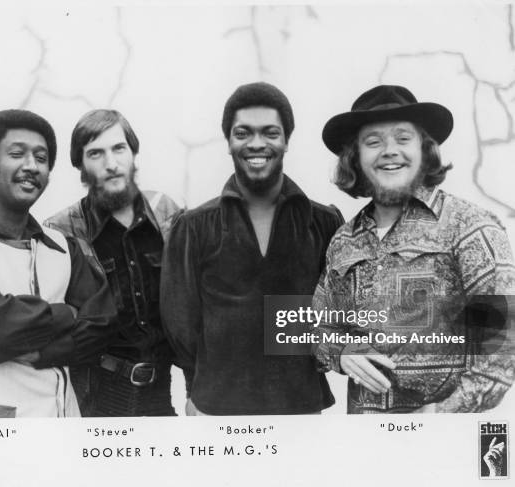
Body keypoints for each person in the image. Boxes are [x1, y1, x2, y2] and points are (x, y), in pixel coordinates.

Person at [315, 84, 515, 413]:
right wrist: (341, 351)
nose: (389, 150)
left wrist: (438, 416)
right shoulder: (343, 241)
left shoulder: (471, 228)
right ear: (356, 157)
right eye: (373, 141)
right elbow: (320, 328)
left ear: (424, 150)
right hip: (364, 443)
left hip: (443, 445)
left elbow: (500, 352)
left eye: (403, 138)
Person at [161, 82, 344, 415]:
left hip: (301, 410)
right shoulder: (193, 227)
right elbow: (181, 326)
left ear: (286, 140)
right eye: (243, 133)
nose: (257, 144)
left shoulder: (324, 222)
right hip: (216, 409)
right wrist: (196, 388)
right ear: (229, 142)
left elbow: (337, 312)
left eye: (270, 133)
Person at [0, 109, 117, 418]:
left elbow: (103, 325)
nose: (32, 166)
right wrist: (67, 312)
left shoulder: (63, 247)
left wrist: (45, 353)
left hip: (61, 434)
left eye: (41, 158)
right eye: (17, 154)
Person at [45, 109, 181, 416]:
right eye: (95, 153)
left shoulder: (167, 214)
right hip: (94, 397)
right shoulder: (60, 232)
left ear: (133, 153)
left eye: (119, 148)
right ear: (80, 165)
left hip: (161, 393)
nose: (111, 163)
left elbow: (191, 309)